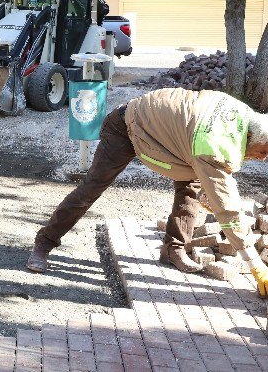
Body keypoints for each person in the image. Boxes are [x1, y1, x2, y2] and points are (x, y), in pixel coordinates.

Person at [27, 88, 268, 297]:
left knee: (191, 186)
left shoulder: (246, 117)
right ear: (250, 136)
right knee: (92, 187)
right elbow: (228, 210)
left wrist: (210, 191)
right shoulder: (214, 144)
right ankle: (44, 242)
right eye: (263, 150)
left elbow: (215, 176)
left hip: (171, 135)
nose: (263, 157)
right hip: (125, 125)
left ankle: (174, 250)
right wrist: (256, 265)